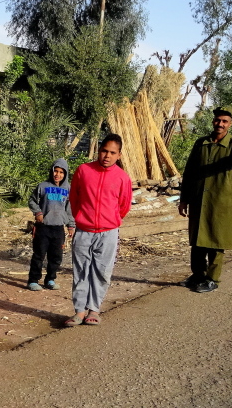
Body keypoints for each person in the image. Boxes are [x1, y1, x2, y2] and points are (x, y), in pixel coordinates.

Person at [178, 106, 232, 293]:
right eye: (218, 120)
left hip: (221, 202)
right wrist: (184, 199)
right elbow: (189, 172)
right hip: (199, 199)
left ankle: (212, 279)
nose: (220, 124)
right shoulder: (201, 143)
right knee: (197, 239)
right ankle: (197, 275)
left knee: (216, 241)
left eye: (225, 121)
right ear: (213, 121)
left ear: (230, 124)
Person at [65, 134, 132, 326]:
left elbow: (124, 205)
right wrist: (81, 218)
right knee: (80, 271)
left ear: (119, 155)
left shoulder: (122, 177)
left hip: (108, 233)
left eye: (112, 153)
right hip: (83, 231)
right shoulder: (83, 171)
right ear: (99, 150)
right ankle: (79, 311)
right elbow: (74, 198)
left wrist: (110, 220)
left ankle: (94, 310)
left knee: (102, 271)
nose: (107, 156)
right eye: (104, 151)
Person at [27, 158, 75, 291]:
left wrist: (71, 225)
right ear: (52, 171)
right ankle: (33, 281)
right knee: (39, 255)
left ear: (65, 174)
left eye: (61, 172)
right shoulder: (43, 186)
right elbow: (32, 201)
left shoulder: (68, 189)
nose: (57, 174)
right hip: (43, 227)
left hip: (58, 228)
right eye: (56, 171)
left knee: (56, 256)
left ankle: (50, 280)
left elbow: (69, 209)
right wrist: (38, 212)